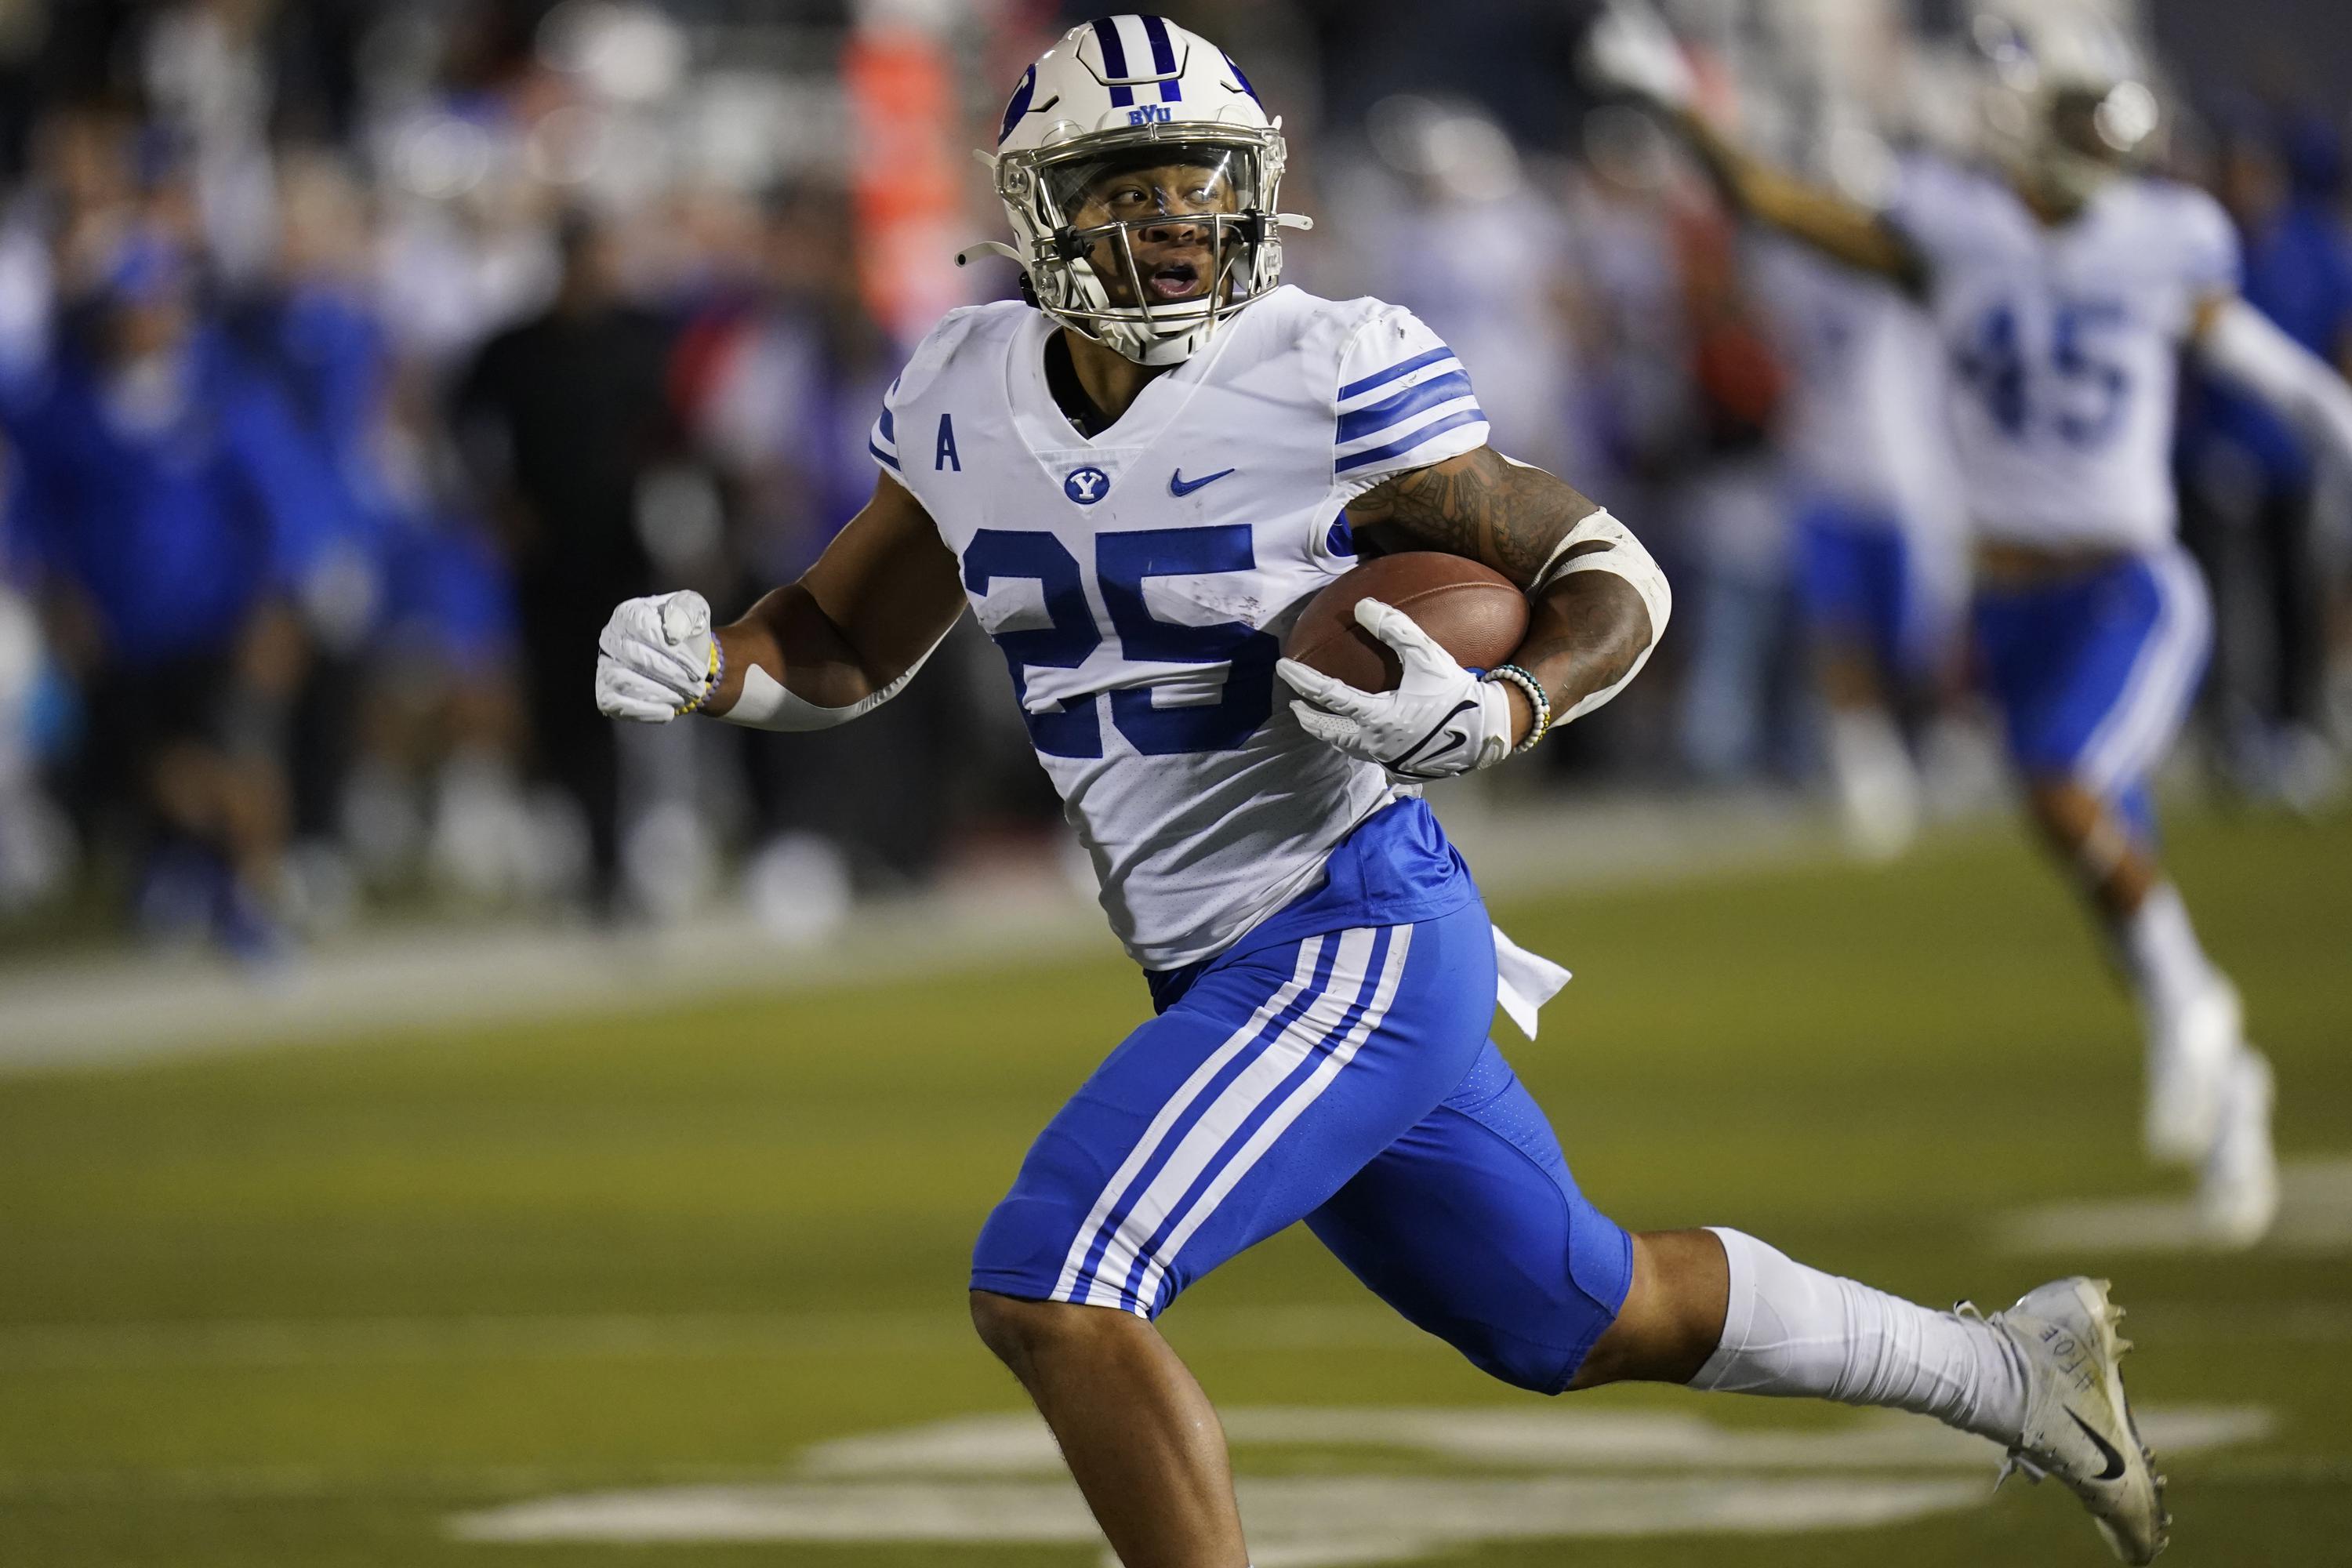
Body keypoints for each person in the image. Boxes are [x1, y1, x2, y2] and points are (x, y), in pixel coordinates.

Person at [598, 19, 2169, 1566]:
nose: (1174, 224)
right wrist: (712, 660)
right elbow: (840, 639)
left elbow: (1604, 572)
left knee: (1057, 1283)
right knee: (1582, 1308)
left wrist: (1502, 701)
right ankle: (2013, 1375)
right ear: (1039, 209)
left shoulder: (1325, 367)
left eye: (1200, 185)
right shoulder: (959, 387)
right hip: (1216, 958)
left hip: (1346, 932)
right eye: (1130, 188)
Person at [1591, 0, 2352, 1248]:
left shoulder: (2166, 237)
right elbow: (1778, 209)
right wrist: (1679, 105)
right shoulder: (1955, 236)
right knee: (2115, 884)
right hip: (2011, 603)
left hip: (2128, 586)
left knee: (2063, 791)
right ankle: (2230, 1084)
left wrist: (2335, 428)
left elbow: (2266, 365)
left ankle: (2196, 1025)